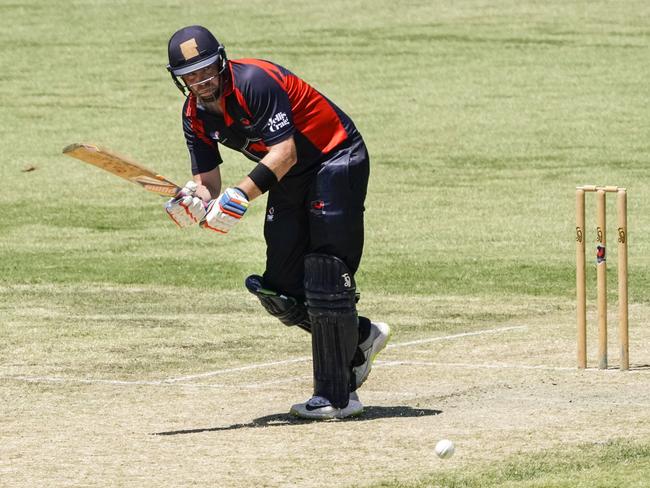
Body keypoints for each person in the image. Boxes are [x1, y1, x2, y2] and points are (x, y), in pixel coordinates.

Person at [164, 25, 390, 420]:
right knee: (279, 289)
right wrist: (195, 201)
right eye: (190, 75)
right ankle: (359, 336)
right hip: (289, 175)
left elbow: (284, 152)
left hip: (334, 156)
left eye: (205, 70)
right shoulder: (194, 114)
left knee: (325, 269)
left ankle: (337, 396)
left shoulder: (255, 82)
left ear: (221, 61)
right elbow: (207, 182)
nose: (200, 82)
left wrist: (239, 196)